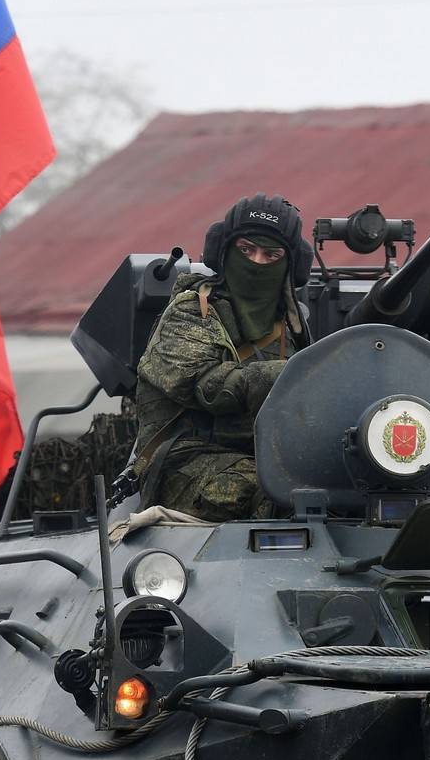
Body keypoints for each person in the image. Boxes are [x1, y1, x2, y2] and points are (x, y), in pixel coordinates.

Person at [130, 193, 313, 521]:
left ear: (291, 264)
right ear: (223, 251)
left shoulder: (292, 326)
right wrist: (293, 373)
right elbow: (206, 385)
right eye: (246, 250)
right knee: (273, 492)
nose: (257, 263)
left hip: (267, 458)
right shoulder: (191, 310)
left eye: (271, 255)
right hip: (184, 463)